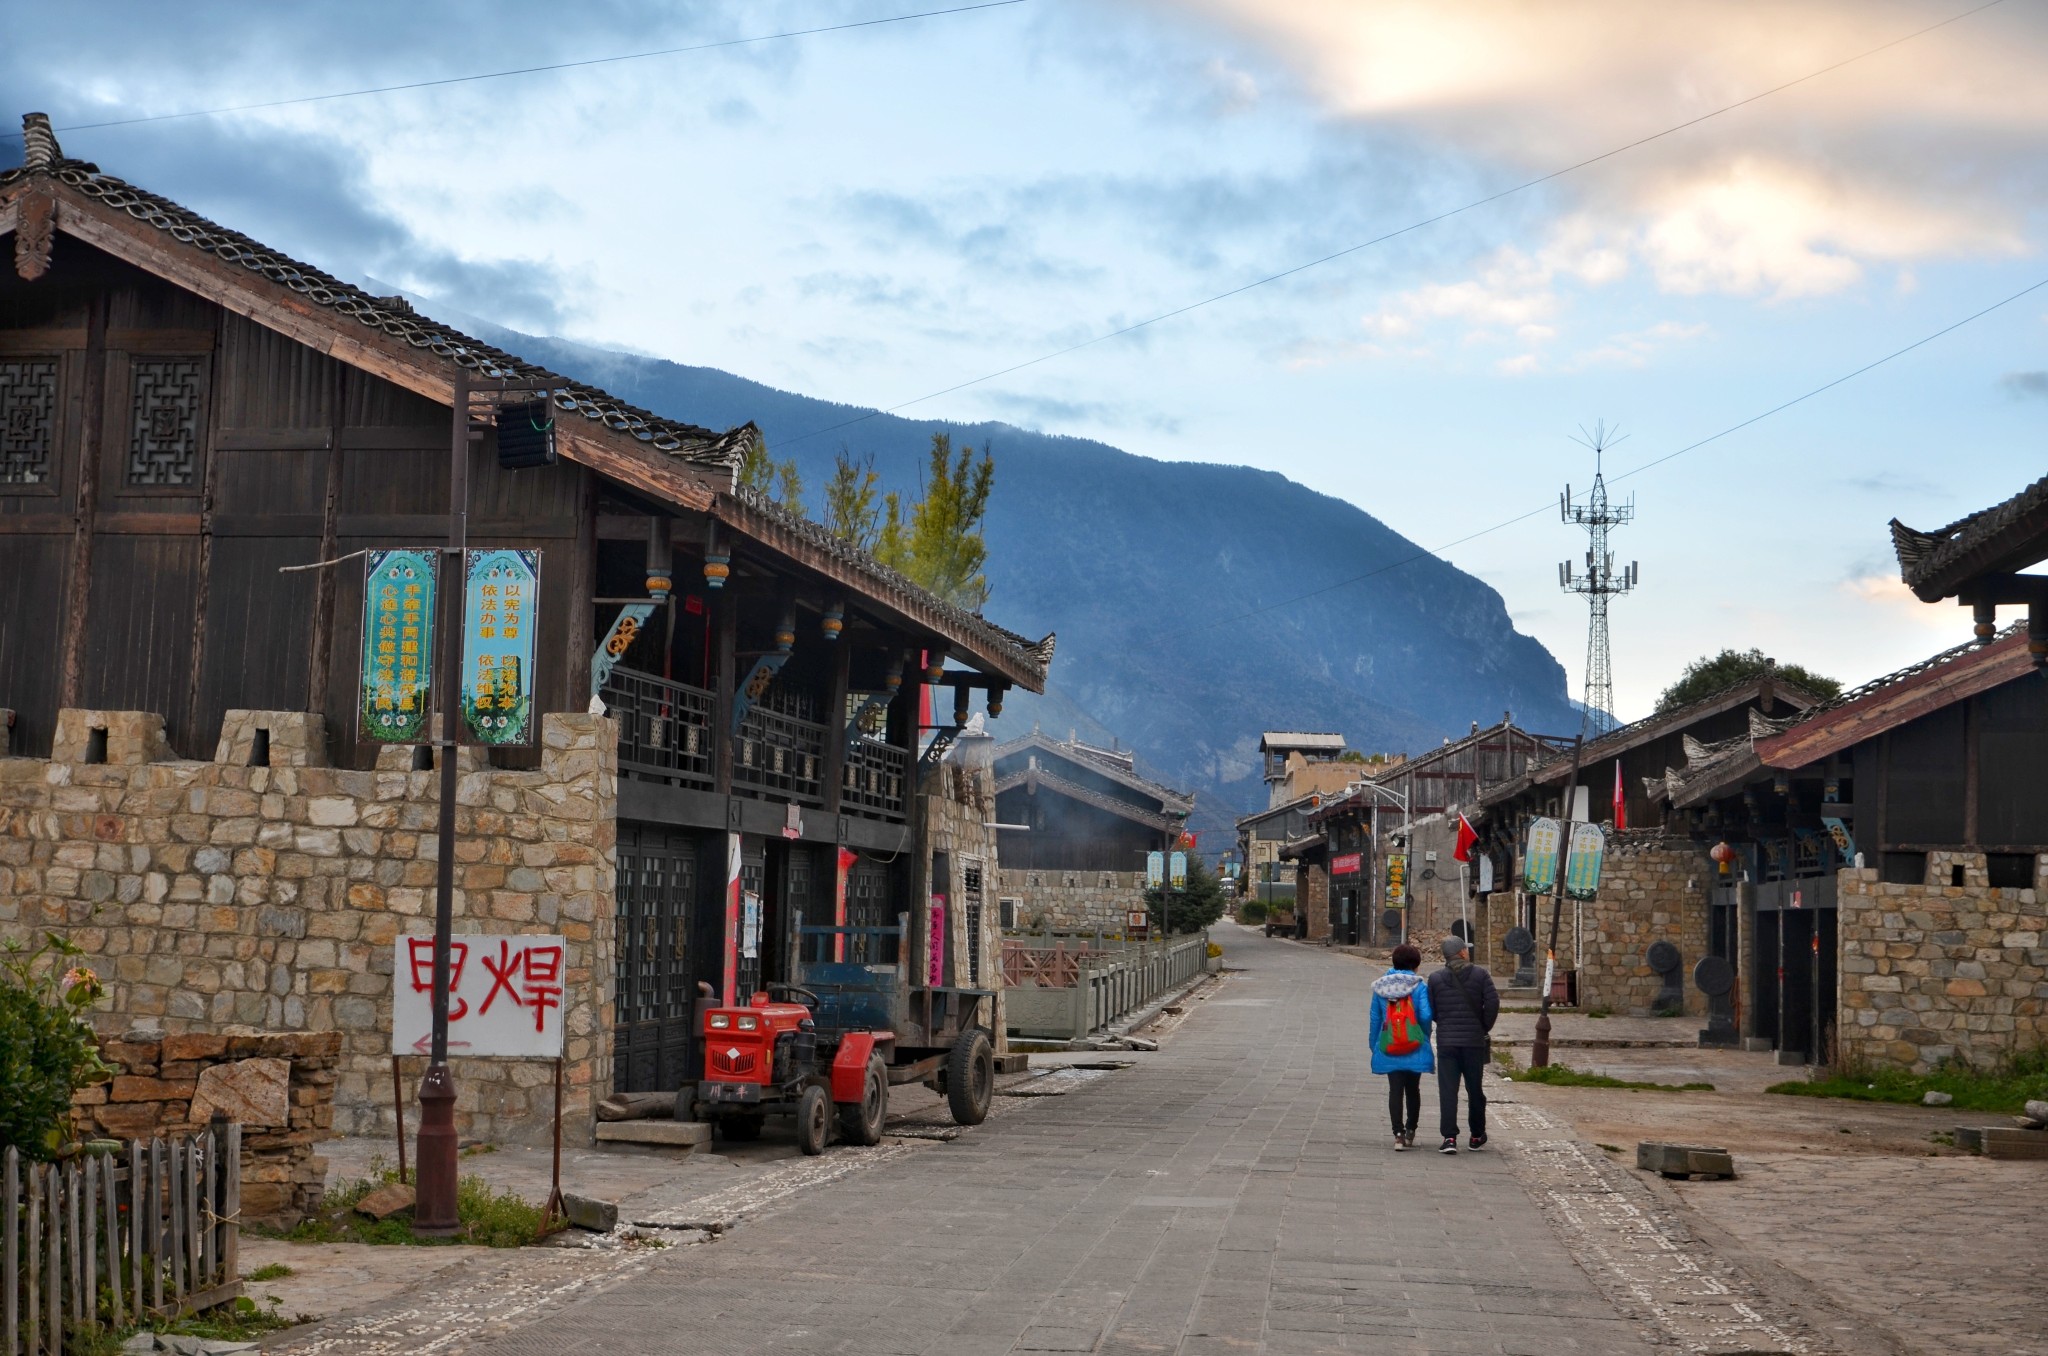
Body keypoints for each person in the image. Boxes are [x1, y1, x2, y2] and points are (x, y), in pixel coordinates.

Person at [1428, 934, 1500, 1154]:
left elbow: (1432, 1009)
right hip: (1473, 1043)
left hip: (1447, 1043)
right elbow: (1493, 1002)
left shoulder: (1435, 978)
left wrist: (1445, 1024)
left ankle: (1449, 1138)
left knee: (1448, 1091)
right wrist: (1483, 1027)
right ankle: (1476, 1135)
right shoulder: (1480, 975)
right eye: (1465, 949)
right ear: (1461, 953)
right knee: (1474, 1089)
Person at [1369, 943, 1434, 1149]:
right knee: (1413, 1089)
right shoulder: (1419, 986)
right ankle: (1411, 1129)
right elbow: (1425, 1015)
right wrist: (1424, 1035)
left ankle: (1398, 1133)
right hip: (1414, 1044)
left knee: (1394, 1089)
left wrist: (1374, 1044)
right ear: (1415, 965)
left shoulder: (1381, 986)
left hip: (1389, 1043)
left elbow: (1375, 1018)